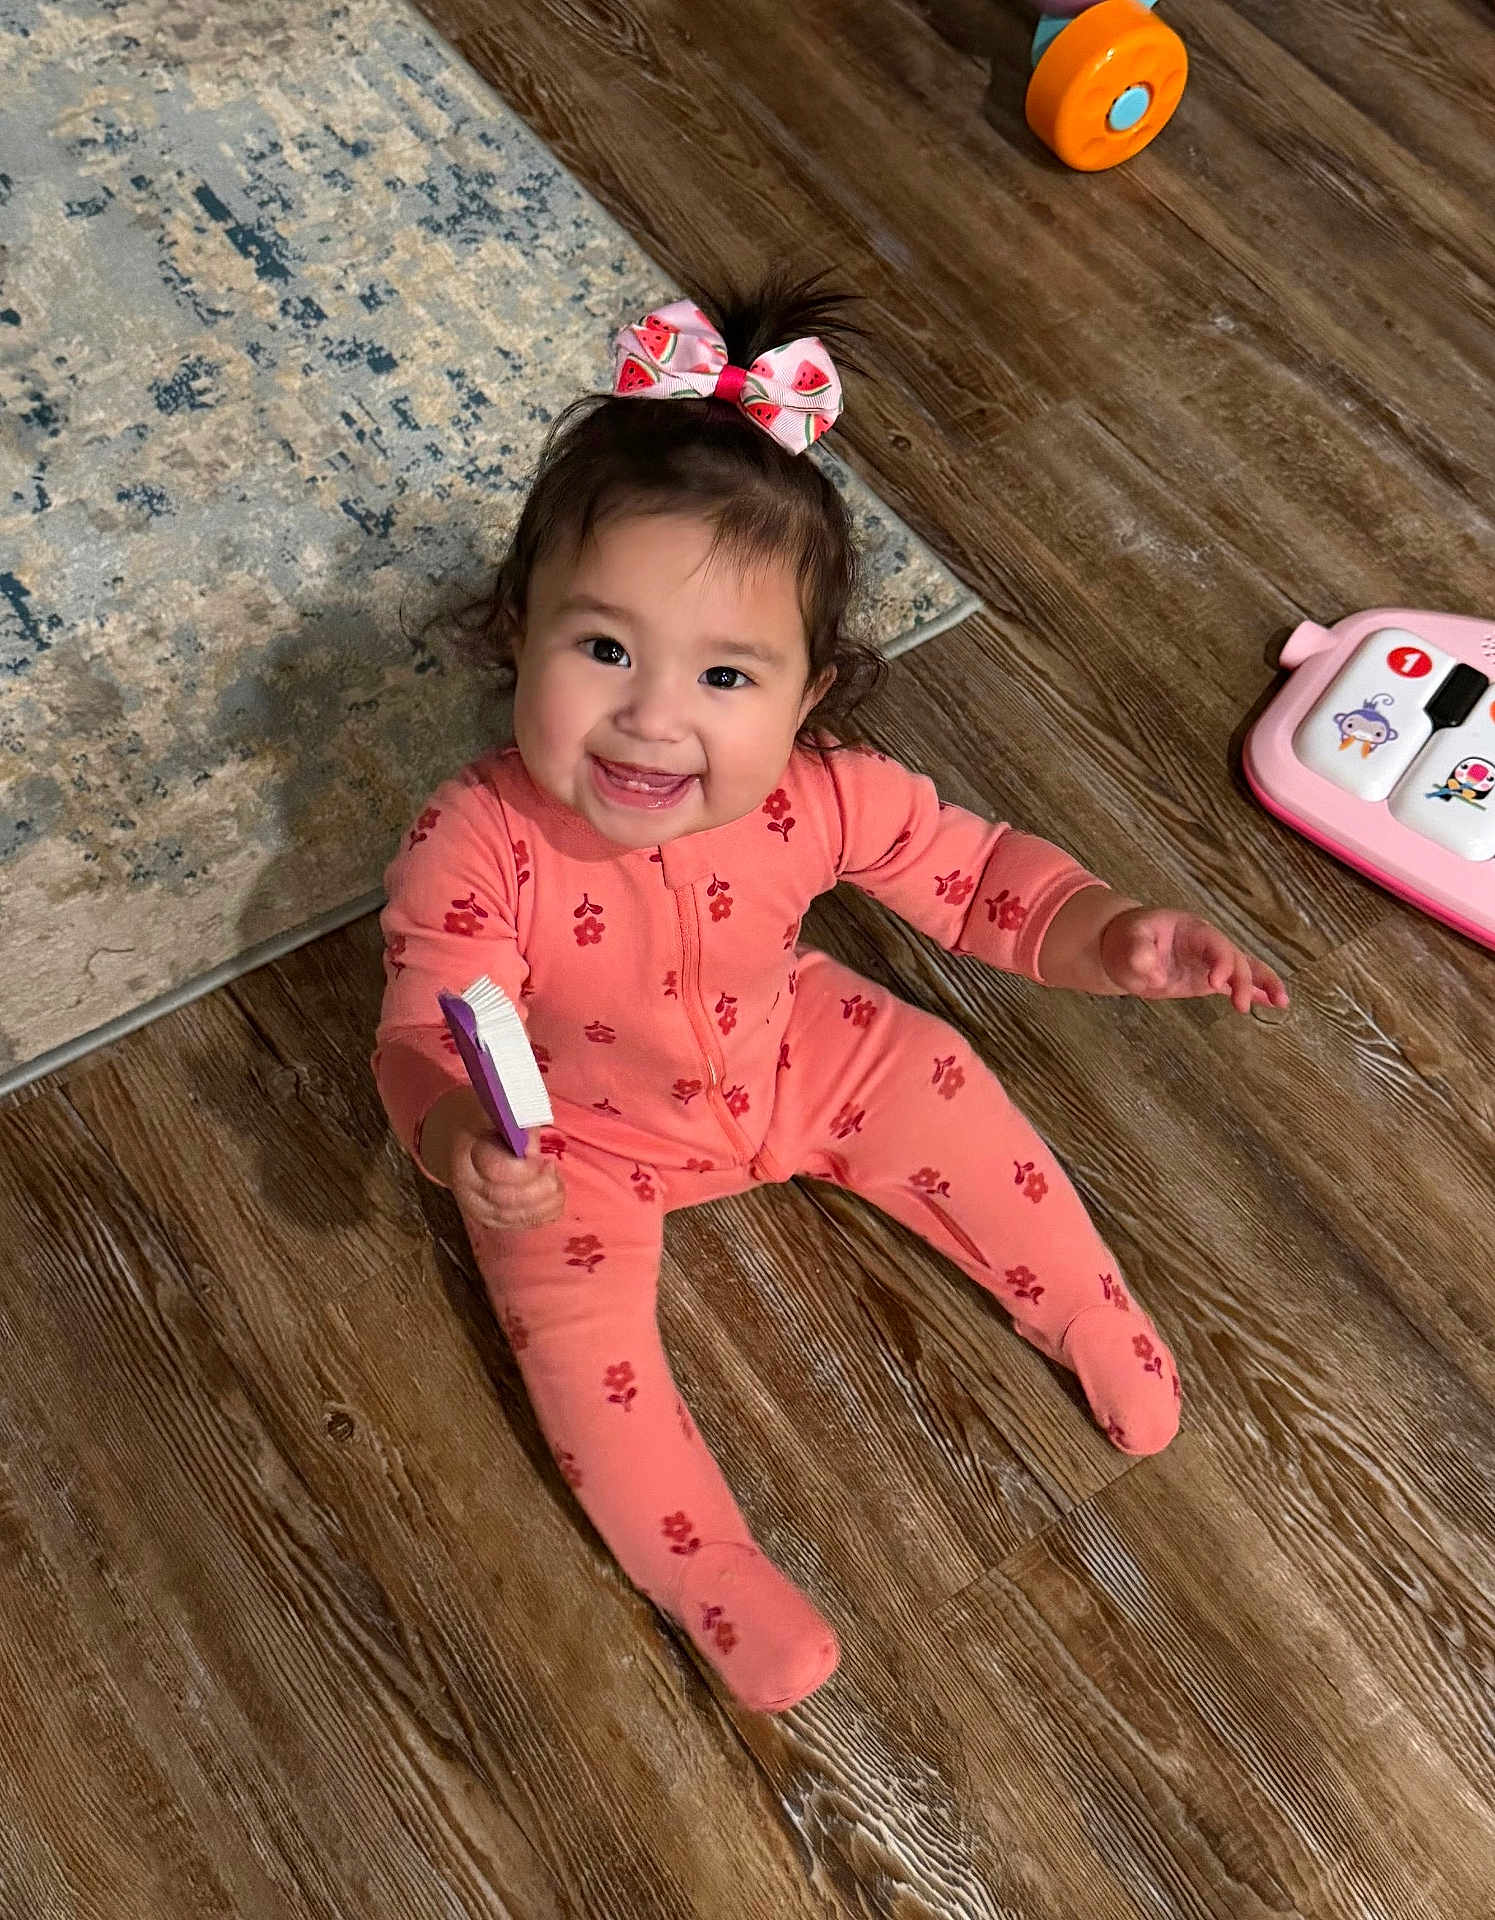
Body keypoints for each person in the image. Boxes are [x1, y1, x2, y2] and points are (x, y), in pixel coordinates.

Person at [372, 273, 1289, 1713]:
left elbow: (978, 878)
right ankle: (704, 1570)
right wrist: (460, 1137)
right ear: (518, 629)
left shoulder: (824, 794)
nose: (653, 716)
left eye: (727, 676)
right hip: (581, 1138)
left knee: (946, 1080)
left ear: (808, 698)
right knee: (576, 1345)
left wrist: (1108, 934)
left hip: (790, 1049)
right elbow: (425, 1024)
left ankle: (1085, 1303)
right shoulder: (475, 838)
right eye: (603, 649)